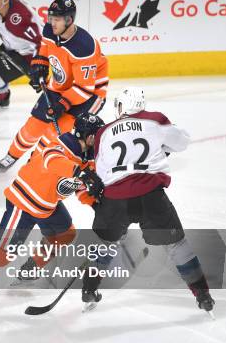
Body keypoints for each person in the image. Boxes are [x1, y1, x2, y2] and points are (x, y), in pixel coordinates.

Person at [81, 87, 215, 313]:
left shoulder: (104, 131)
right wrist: (162, 147)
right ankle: (202, 294)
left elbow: (102, 172)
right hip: (150, 196)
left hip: (115, 199)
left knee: (105, 244)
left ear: (122, 106)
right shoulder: (155, 119)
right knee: (176, 244)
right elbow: (182, 142)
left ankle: (89, 288)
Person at [0, 115, 104, 295]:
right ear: (88, 136)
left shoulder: (87, 159)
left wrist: (96, 205)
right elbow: (52, 159)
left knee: (65, 234)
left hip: (46, 206)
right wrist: (79, 173)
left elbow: (81, 187)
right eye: (98, 135)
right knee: (2, 255)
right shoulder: (61, 144)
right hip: (23, 202)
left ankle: (30, 268)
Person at [0, 0, 108, 172]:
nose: (52, 23)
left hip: (89, 96)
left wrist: (62, 105)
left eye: (57, 19)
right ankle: (11, 156)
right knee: (32, 128)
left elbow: (85, 89)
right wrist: (39, 66)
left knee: (54, 136)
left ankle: (34, 166)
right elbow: (45, 50)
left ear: (69, 20)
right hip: (60, 87)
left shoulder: (84, 47)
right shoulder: (49, 30)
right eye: (51, 18)